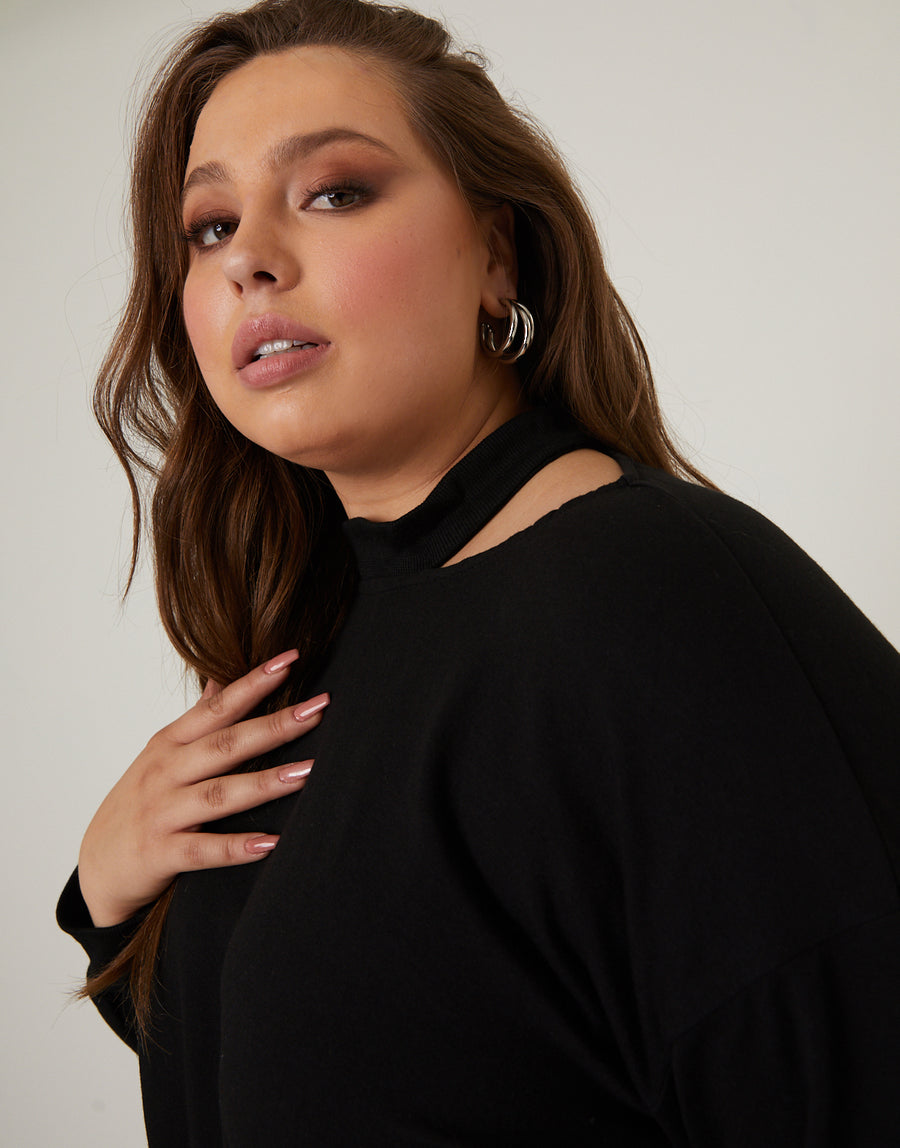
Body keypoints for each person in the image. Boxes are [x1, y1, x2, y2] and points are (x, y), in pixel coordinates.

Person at [57, 0, 900, 1144]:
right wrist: (107, 901)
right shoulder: (313, 647)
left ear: (496, 255)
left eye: (334, 192)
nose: (249, 255)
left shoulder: (653, 597)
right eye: (209, 225)